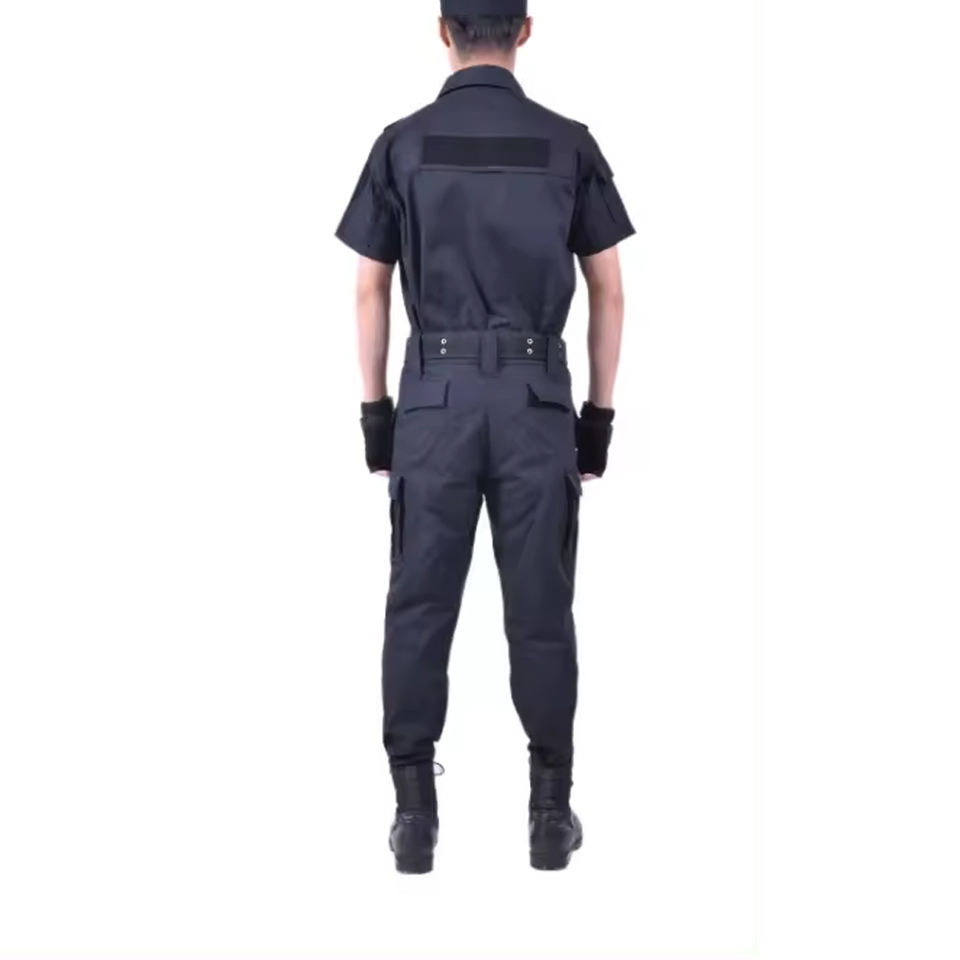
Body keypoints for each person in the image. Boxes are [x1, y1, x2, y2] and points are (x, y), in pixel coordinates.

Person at [335, 0, 634, 873]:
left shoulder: (401, 145)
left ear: (444, 31)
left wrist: (376, 415)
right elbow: (610, 290)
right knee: (541, 608)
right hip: (537, 403)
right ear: (525, 29)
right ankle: (549, 813)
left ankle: (413, 816)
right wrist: (598, 422)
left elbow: (369, 288)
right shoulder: (569, 145)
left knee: (419, 603)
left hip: (434, 399)